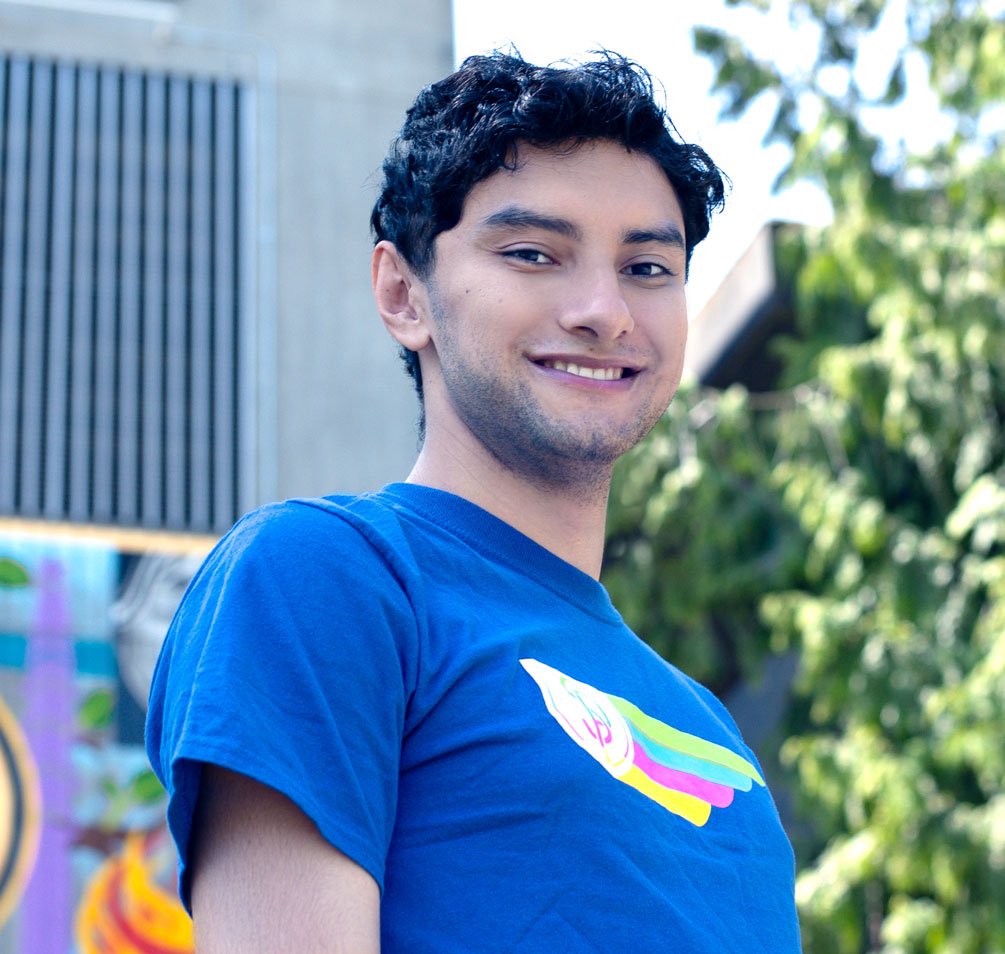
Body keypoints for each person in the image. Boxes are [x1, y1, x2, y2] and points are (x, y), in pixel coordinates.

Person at [146, 51, 800, 952]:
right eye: (535, 253)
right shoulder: (324, 576)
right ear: (403, 292)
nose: (604, 310)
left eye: (649, 266)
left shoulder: (706, 722)